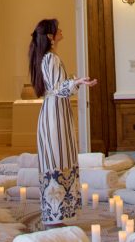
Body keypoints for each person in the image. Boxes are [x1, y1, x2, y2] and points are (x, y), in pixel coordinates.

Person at [28, 19, 97, 227]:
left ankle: (58, 214)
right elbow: (59, 88)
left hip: (54, 111)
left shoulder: (47, 57)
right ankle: (57, 215)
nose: (61, 30)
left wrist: (76, 83)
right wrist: (77, 82)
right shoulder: (50, 58)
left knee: (58, 158)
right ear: (50, 36)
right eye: (57, 28)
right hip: (54, 114)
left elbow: (57, 87)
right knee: (58, 159)